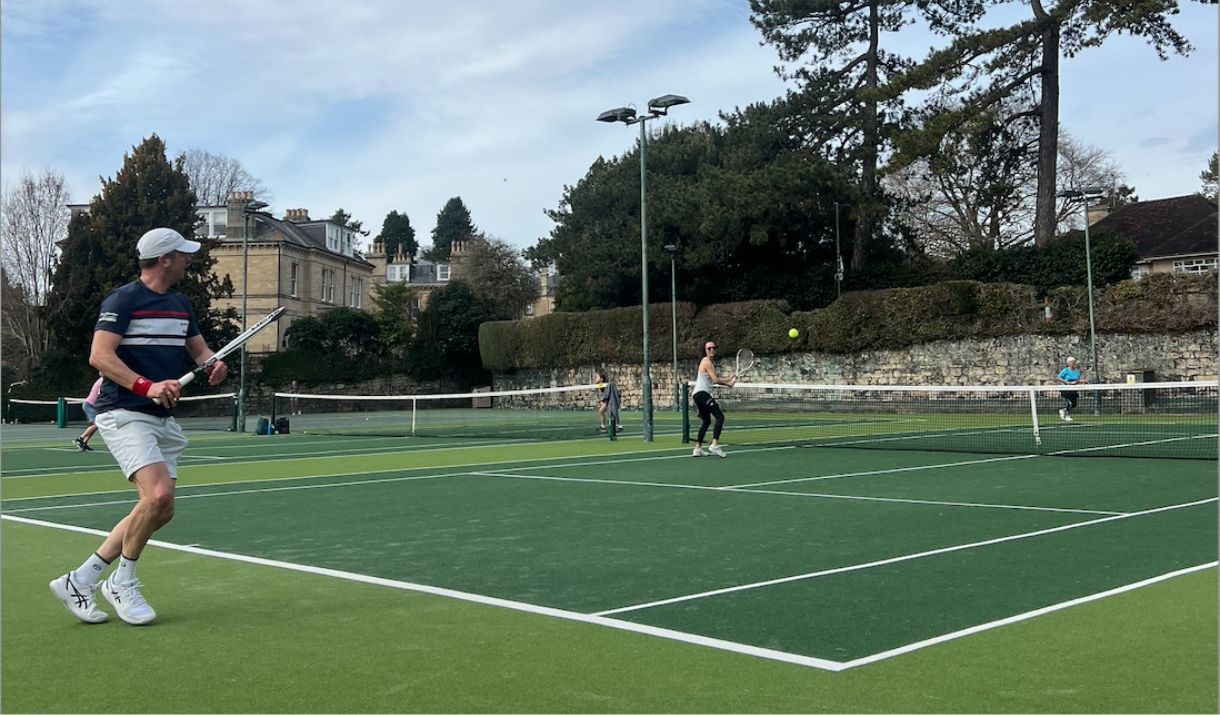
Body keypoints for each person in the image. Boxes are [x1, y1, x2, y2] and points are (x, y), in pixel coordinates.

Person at [49, 227, 229, 626]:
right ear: (164, 259)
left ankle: (80, 580)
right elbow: (100, 356)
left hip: (162, 417)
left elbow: (199, 350)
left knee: (159, 509)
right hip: (124, 411)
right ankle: (121, 582)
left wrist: (214, 364)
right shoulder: (123, 300)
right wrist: (148, 387)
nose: (188, 260)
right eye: (182, 254)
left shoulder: (181, 303)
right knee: (158, 494)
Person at [691, 340, 735, 457]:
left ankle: (697, 449)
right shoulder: (706, 361)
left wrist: (729, 379)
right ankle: (714, 444)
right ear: (705, 350)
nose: (712, 350)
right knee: (720, 417)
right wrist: (728, 384)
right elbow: (715, 380)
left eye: (713, 348)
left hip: (697, 395)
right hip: (702, 394)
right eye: (709, 348)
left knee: (706, 421)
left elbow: (714, 379)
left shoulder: (709, 363)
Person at [73, 374, 104, 451]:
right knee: (97, 424)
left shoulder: (103, 381)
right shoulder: (103, 381)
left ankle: (84, 442)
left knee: (94, 425)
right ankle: (80, 439)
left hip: (92, 405)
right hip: (89, 405)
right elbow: (101, 395)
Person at [1056, 356, 1086, 422]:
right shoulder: (1065, 370)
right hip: (1066, 389)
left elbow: (1077, 380)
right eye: (1071, 362)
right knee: (1070, 402)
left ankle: (1063, 410)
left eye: (1073, 362)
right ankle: (1067, 415)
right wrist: (1066, 382)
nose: (1072, 363)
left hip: (1073, 389)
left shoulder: (1077, 371)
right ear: (1068, 363)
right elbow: (1059, 378)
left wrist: (1080, 382)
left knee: (1074, 404)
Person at [593, 369, 623, 433]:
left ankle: (618, 426)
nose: (595, 378)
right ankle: (603, 426)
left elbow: (608, 393)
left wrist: (603, 400)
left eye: (597, 377)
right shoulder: (599, 385)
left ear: (601, 379)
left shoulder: (607, 385)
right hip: (607, 399)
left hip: (610, 399)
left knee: (607, 411)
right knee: (602, 411)